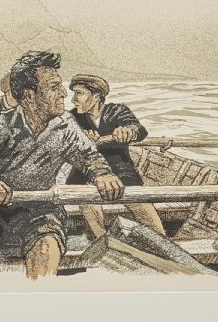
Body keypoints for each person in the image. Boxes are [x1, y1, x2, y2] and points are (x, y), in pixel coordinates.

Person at [0, 51, 124, 279]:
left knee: (46, 248)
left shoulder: (65, 125)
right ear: (29, 95)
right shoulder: (2, 123)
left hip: (41, 213)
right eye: (54, 87)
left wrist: (103, 174)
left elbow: (88, 156)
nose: (63, 93)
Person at [67, 74, 170, 239]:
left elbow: (138, 129)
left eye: (79, 93)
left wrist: (129, 131)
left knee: (140, 204)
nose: (73, 99)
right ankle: (102, 241)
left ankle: (161, 240)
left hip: (122, 172)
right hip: (85, 174)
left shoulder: (118, 111)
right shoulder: (72, 117)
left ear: (96, 96)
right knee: (88, 203)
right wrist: (82, 137)